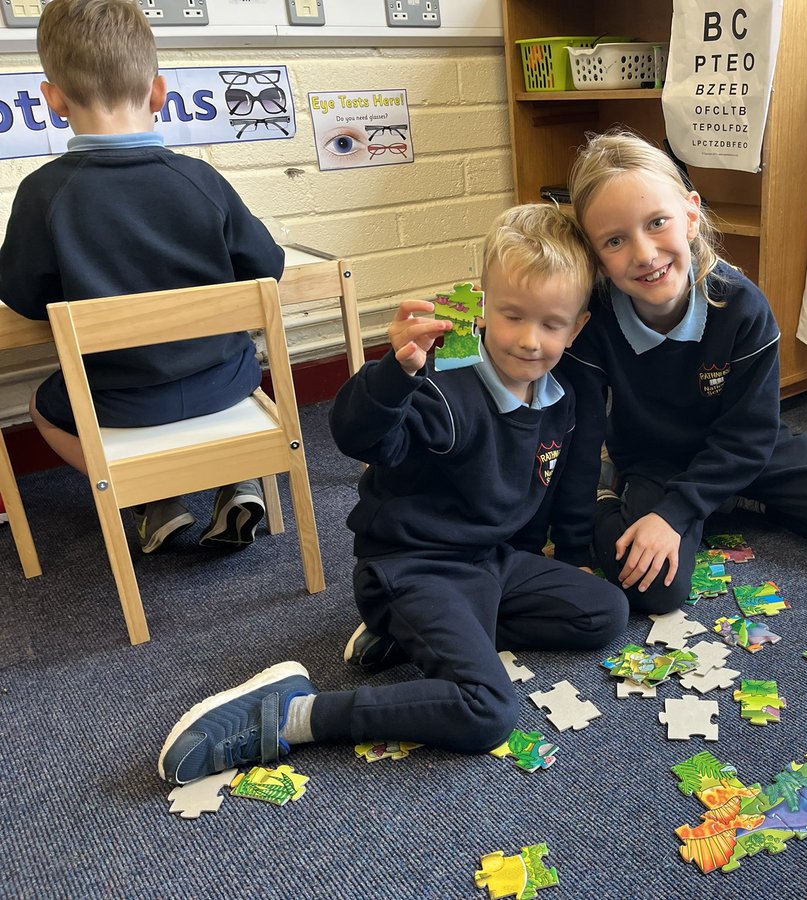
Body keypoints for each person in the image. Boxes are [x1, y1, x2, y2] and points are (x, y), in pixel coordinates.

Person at [158, 204, 628, 785]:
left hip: (486, 563)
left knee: (606, 613)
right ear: (481, 305)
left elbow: (545, 488)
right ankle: (292, 713)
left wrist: (569, 555)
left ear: (576, 326)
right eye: (511, 316)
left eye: (552, 325)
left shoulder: (561, 394)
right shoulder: (442, 380)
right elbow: (355, 434)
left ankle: (409, 637)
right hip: (411, 567)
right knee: (488, 712)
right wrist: (394, 373)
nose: (530, 341)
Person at [554, 129, 807, 615]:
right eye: (615, 240)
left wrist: (678, 514)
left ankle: (734, 504)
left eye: (657, 222)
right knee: (654, 592)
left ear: (691, 214)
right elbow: (582, 435)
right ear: (595, 253)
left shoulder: (741, 305)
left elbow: (748, 435)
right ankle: (622, 497)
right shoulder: (596, 320)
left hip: (748, 453)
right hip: (656, 464)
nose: (644, 254)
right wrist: (574, 546)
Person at [0, 0, 284, 553]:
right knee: (234, 367)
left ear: (52, 100)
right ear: (159, 93)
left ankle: (144, 495)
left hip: (115, 399)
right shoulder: (201, 179)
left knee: (41, 406)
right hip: (226, 384)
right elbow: (265, 270)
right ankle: (239, 478)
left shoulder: (43, 195)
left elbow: (25, 298)